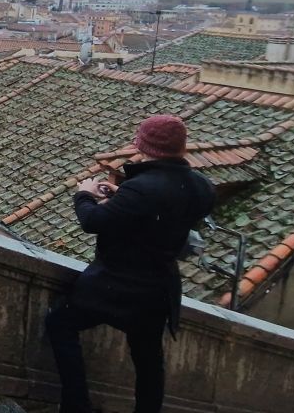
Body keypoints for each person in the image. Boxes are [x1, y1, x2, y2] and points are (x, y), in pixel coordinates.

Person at [45, 115, 214, 413]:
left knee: (59, 324)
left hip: (115, 285)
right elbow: (162, 213)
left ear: (142, 145)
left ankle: (77, 404)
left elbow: (93, 221)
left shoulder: (142, 188)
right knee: (149, 361)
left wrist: (84, 195)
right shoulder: (202, 186)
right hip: (158, 290)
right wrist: (122, 199)